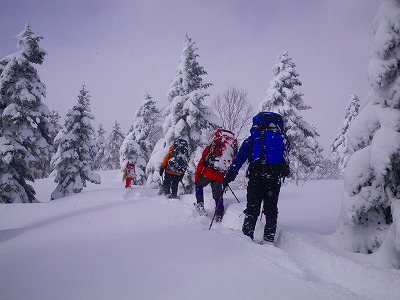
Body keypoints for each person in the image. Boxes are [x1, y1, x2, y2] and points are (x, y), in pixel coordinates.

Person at [223, 112, 290, 243]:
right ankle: (269, 240)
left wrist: (229, 177)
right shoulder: (281, 138)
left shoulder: (253, 139)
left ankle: (247, 240)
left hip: (256, 178)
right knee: (271, 210)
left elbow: (239, 159)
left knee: (252, 209)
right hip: (274, 178)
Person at [195, 129, 238, 222]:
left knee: (199, 185)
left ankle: (200, 205)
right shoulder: (229, 149)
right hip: (220, 175)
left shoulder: (211, 147)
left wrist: (197, 177)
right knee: (218, 195)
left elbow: (201, 162)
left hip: (208, 173)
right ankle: (219, 214)